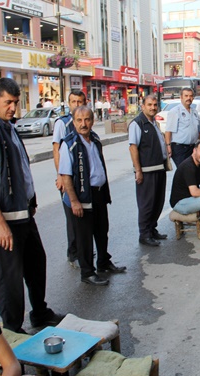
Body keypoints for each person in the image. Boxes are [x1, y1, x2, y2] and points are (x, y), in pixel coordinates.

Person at [0, 78, 61, 333]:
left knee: (35, 262)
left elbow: (20, 169)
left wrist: (30, 203)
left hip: (22, 215)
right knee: (11, 276)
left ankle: (40, 313)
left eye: (16, 102)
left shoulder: (8, 128)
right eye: (8, 102)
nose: (12, 107)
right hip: (4, 219)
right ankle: (11, 329)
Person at [59, 106, 125, 286]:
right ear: (73, 122)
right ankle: (87, 272)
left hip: (99, 194)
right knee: (84, 237)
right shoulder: (69, 143)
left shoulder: (95, 139)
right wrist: (74, 201)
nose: (83, 124)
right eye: (79, 120)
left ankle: (103, 262)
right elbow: (66, 176)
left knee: (102, 231)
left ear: (92, 121)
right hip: (83, 197)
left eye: (87, 120)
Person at [51, 90, 87, 268]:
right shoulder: (63, 123)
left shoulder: (85, 121)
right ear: (68, 103)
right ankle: (74, 253)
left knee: (83, 217)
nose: (77, 104)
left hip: (82, 176)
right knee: (72, 216)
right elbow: (56, 149)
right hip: (68, 177)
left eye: (80, 101)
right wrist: (60, 175)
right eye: (74, 101)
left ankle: (83, 249)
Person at [128, 95, 169, 247]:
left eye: (155, 104)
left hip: (159, 169)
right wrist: (138, 170)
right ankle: (144, 235)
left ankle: (152, 230)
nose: (152, 107)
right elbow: (133, 147)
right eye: (149, 105)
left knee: (158, 202)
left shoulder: (153, 123)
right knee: (147, 204)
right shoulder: (137, 124)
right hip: (146, 171)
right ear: (143, 106)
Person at [164, 88, 200, 167]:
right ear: (181, 97)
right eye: (186, 96)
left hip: (192, 148)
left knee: (193, 171)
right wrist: (168, 146)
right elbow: (168, 131)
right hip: (179, 148)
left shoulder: (195, 112)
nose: (188, 98)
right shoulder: (175, 111)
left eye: (190, 96)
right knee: (184, 171)